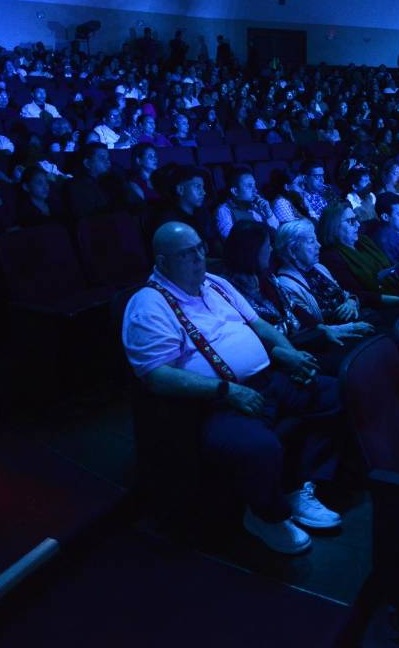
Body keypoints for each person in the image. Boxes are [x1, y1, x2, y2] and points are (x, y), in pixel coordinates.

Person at [123, 222, 344, 555]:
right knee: (257, 447)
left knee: (336, 393)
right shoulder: (148, 304)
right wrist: (226, 390)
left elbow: (259, 324)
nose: (199, 258)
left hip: (269, 378)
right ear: (163, 261)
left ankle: (299, 486)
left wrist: (288, 352)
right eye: (187, 254)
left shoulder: (216, 283)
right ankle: (265, 515)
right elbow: (156, 375)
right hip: (216, 401)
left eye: (200, 248)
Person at [220, 221, 372, 368]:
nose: (271, 250)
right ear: (252, 252)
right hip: (283, 353)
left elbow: (293, 307)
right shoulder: (227, 289)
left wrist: (323, 329)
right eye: (267, 246)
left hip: (306, 337)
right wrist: (326, 331)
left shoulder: (265, 275)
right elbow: (255, 335)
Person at [317, 204, 399, 312]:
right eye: (351, 221)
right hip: (379, 307)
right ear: (333, 227)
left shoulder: (364, 240)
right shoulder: (331, 256)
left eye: (356, 219)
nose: (358, 224)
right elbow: (357, 294)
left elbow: (393, 268)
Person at [273, 220, 364, 329]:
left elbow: (345, 294)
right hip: (338, 335)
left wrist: (351, 302)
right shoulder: (286, 285)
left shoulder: (319, 267)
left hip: (357, 321)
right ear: (292, 251)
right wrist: (351, 327)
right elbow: (313, 327)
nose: (319, 245)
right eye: (311, 241)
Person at [214, 167, 279, 241]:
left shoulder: (257, 206)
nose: (255, 190)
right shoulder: (224, 211)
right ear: (235, 191)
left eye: (254, 186)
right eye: (249, 186)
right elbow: (232, 241)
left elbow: (276, 232)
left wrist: (269, 213)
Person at [153, 166, 210, 239]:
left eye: (203, 187)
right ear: (180, 190)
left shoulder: (202, 214)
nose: (204, 192)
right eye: (197, 187)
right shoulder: (169, 222)